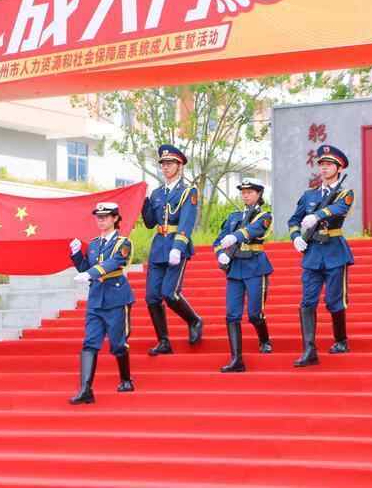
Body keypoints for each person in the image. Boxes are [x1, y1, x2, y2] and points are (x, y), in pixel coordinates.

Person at [287, 145, 355, 368]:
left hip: (334, 252)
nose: (324, 168)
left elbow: (339, 209)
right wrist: (296, 237)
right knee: (307, 301)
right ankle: (309, 350)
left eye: (329, 165)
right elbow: (293, 221)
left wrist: (317, 215)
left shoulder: (345, 193)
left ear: (339, 168)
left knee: (334, 301)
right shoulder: (310, 195)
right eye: (322, 165)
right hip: (313, 253)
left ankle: (341, 340)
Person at [68, 202, 135, 405]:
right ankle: (85, 389)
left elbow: (114, 263)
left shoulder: (123, 243)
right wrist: (76, 255)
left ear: (115, 218)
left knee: (118, 343)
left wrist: (90, 273)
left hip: (116, 298)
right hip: (96, 299)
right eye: (98, 217)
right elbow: (85, 268)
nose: (101, 220)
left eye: (105, 216)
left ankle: (126, 380)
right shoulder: (94, 244)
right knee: (90, 342)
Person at [140, 144, 202, 355]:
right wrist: (144, 201)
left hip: (177, 246)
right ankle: (164, 341)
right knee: (152, 297)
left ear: (179, 165)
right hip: (159, 247)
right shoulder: (157, 193)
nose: (165, 167)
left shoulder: (188, 191)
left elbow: (187, 221)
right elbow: (150, 222)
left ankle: (194, 320)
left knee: (169, 293)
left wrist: (178, 246)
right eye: (163, 164)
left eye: (170, 163)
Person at [213, 178, 274, 373]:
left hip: (255, 267)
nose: (245, 195)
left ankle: (264, 339)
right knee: (232, 314)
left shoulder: (264, 216)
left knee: (255, 313)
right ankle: (236, 359)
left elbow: (255, 230)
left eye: (250, 192)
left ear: (258, 194)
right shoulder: (234, 216)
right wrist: (220, 254)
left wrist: (236, 236)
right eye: (243, 192)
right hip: (235, 268)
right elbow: (218, 241)